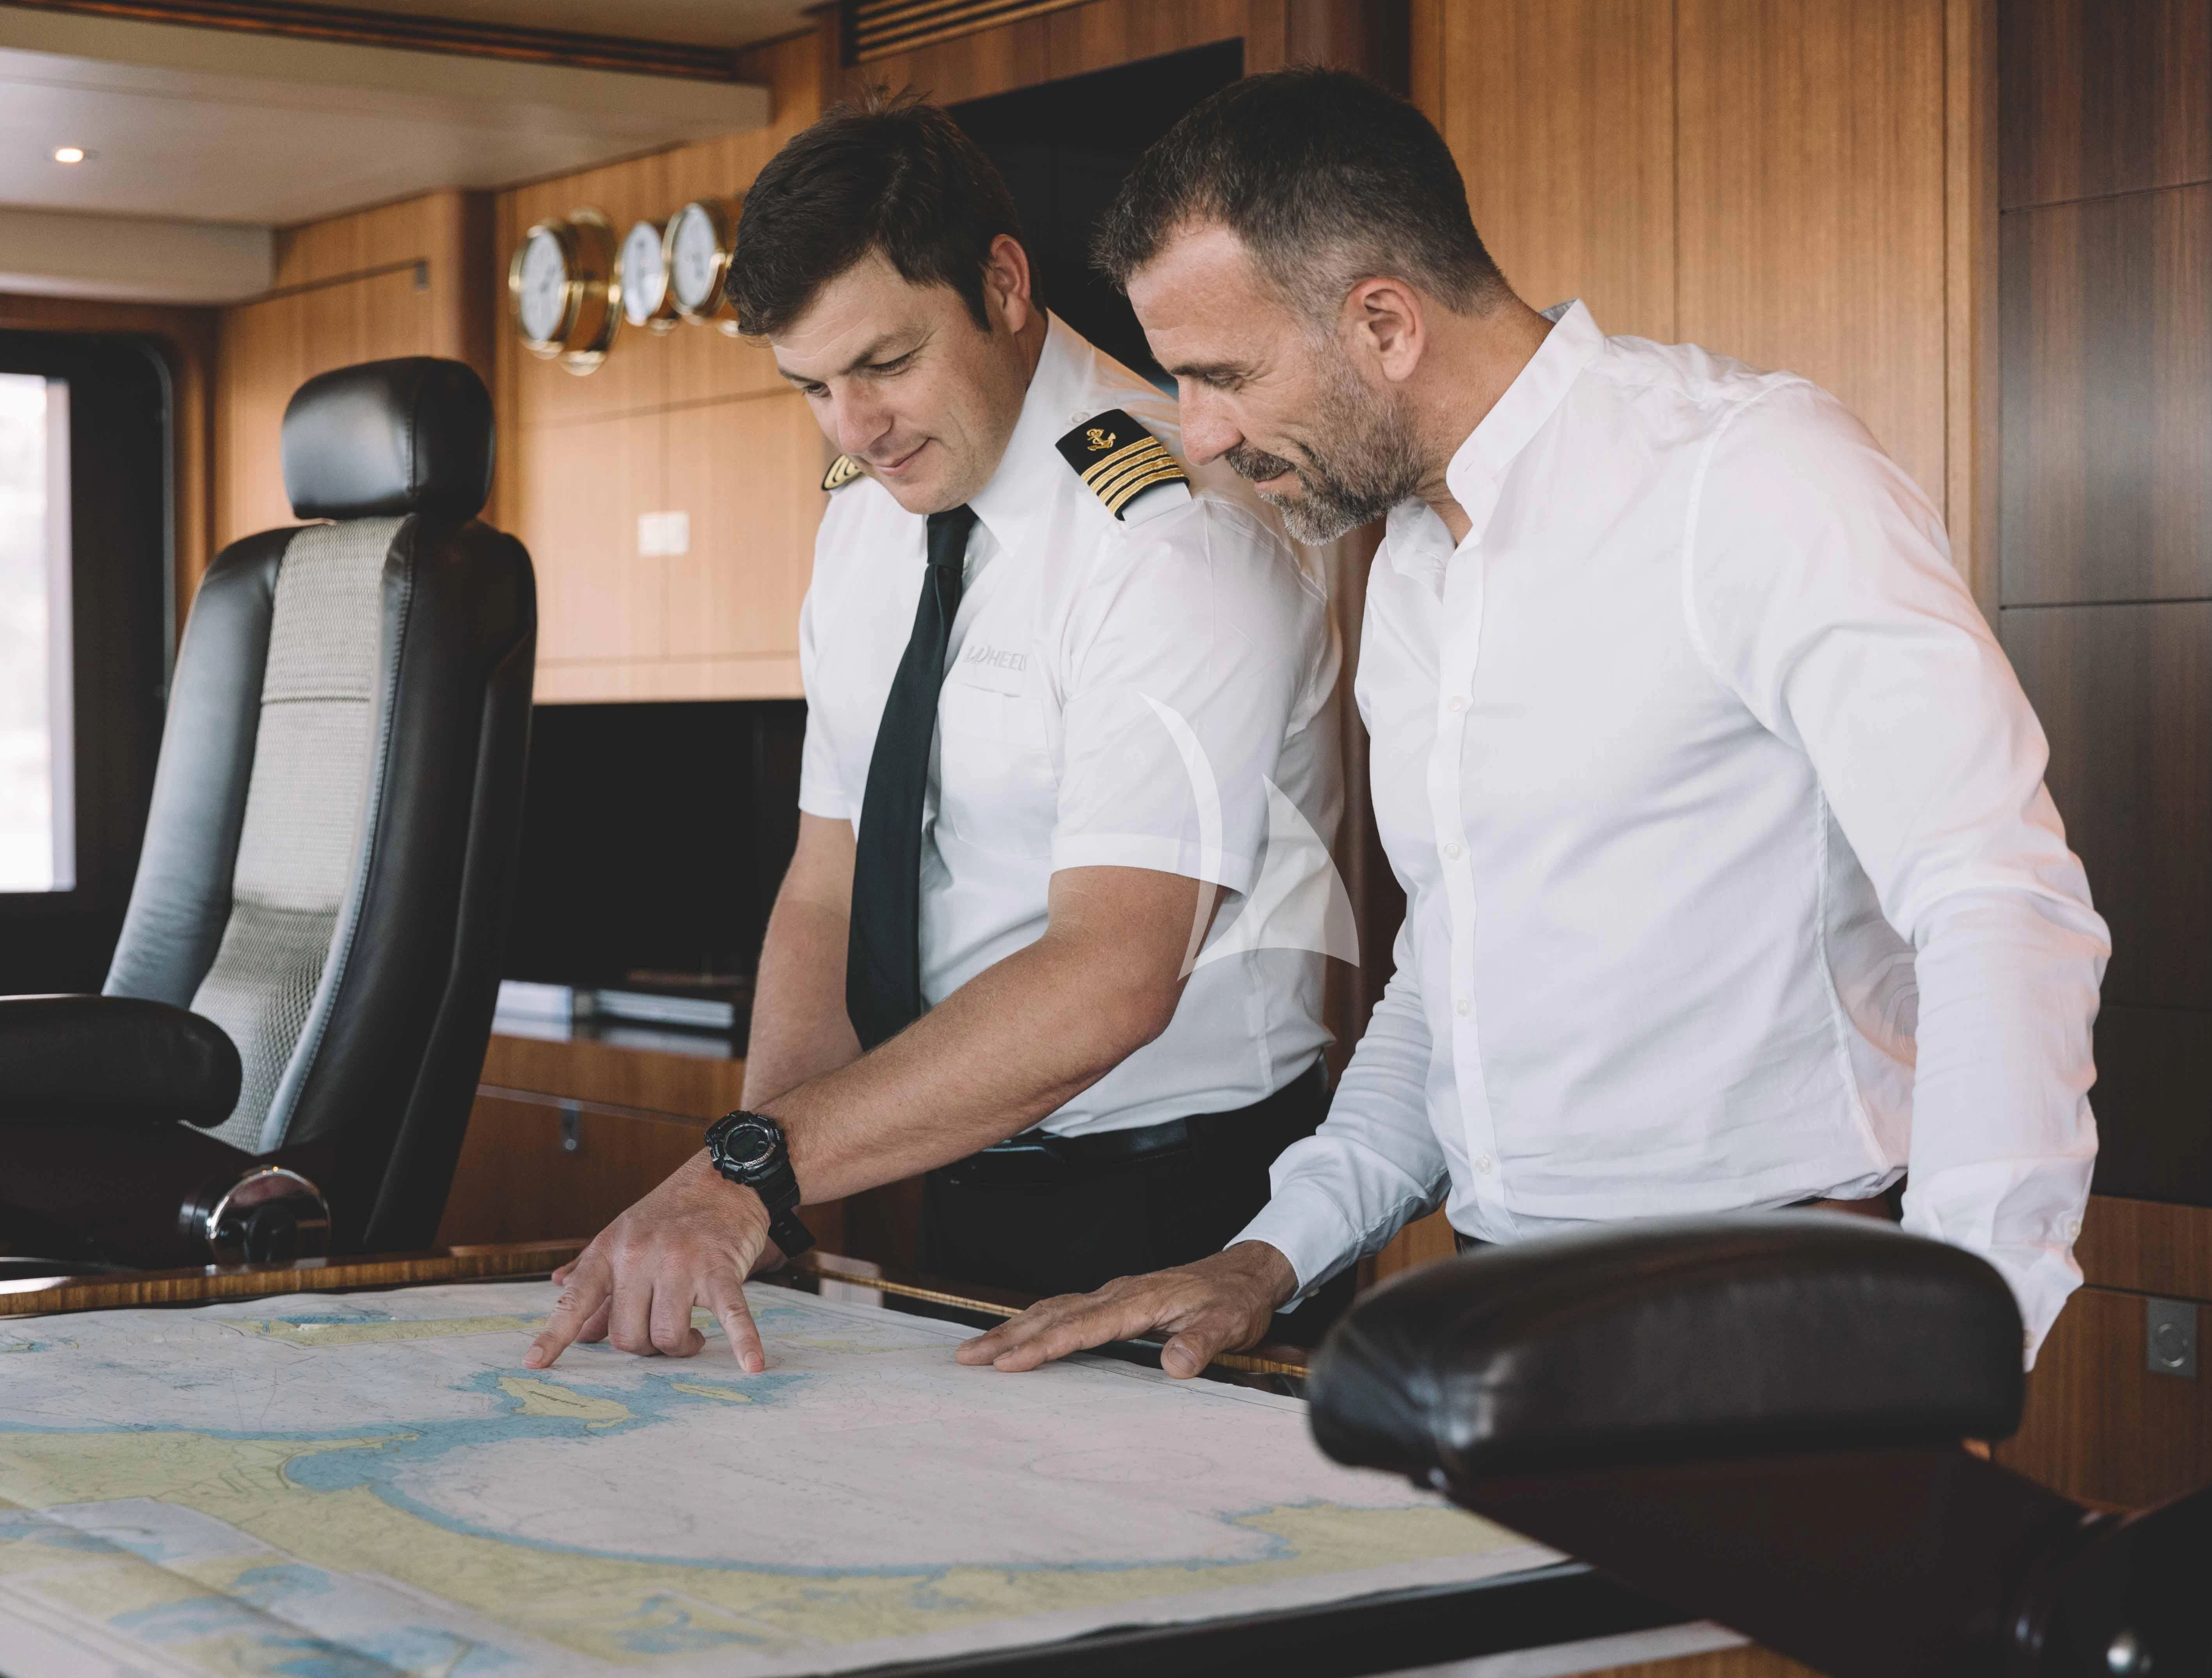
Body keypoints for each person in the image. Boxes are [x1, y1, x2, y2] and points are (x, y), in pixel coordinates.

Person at [957, 67, 2109, 1382]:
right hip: (1503, 1306)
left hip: (1777, 1304)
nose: (1204, 439)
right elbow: (1451, 975)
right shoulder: (1410, 567)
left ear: (1385, 324)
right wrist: (1266, 1257)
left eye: (1224, 376)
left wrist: (1963, 1320)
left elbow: (1998, 902)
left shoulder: (1750, 476)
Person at [526, 94, 1343, 1375]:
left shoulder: (1173, 544)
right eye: (813, 387)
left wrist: (751, 1177)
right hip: (938, 1162)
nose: (856, 427)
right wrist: (764, 1193)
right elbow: (828, 879)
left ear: (1004, 285)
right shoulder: (867, 517)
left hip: (1181, 1204)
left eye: (888, 363)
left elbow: (1113, 975)